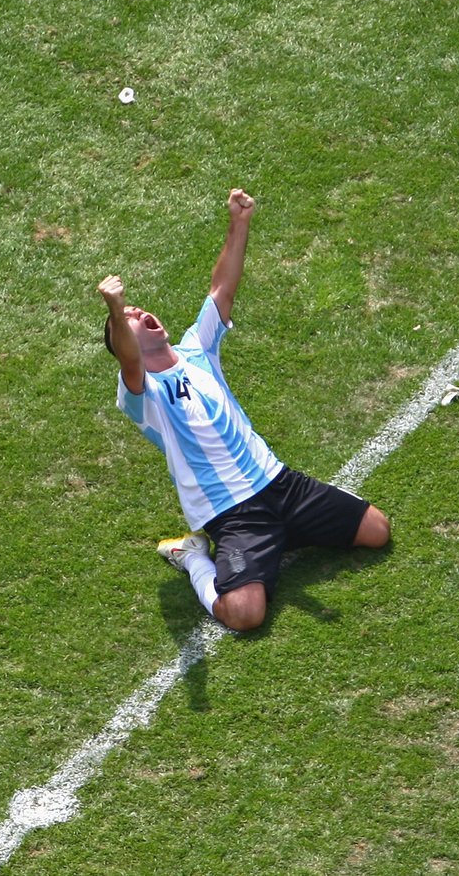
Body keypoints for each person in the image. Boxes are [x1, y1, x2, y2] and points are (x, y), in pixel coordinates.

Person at [97, 189, 390, 631]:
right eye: (132, 319)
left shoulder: (197, 349)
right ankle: (192, 556)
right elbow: (126, 355)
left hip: (279, 482)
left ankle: (287, 532)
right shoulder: (140, 393)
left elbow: (222, 289)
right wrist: (116, 312)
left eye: (138, 310)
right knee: (244, 615)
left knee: (377, 531)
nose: (140, 312)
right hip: (231, 514)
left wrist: (240, 221)